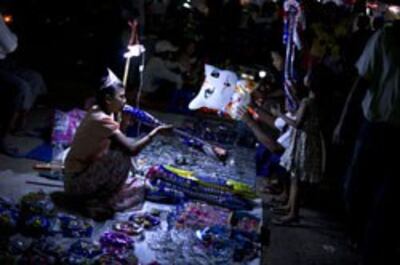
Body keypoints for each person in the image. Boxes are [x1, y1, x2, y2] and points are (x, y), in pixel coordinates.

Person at [333, 13, 400, 265]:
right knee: (354, 186)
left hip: (394, 133)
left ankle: (370, 248)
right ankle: (358, 232)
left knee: (386, 199)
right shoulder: (385, 37)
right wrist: (344, 121)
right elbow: (361, 80)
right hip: (374, 125)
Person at [63, 70, 172, 220]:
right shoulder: (100, 118)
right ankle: (94, 199)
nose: (125, 101)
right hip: (76, 182)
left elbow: (116, 138)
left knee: (128, 165)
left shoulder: (103, 110)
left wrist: (124, 122)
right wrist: (155, 132)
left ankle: (100, 194)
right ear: (108, 98)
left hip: (83, 171)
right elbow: (131, 149)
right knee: (121, 154)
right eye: (121, 97)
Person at [0, 13, 47, 155]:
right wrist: (12, 37)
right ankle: (3, 135)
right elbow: (11, 45)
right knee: (19, 87)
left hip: (4, 63)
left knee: (35, 78)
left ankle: (19, 124)